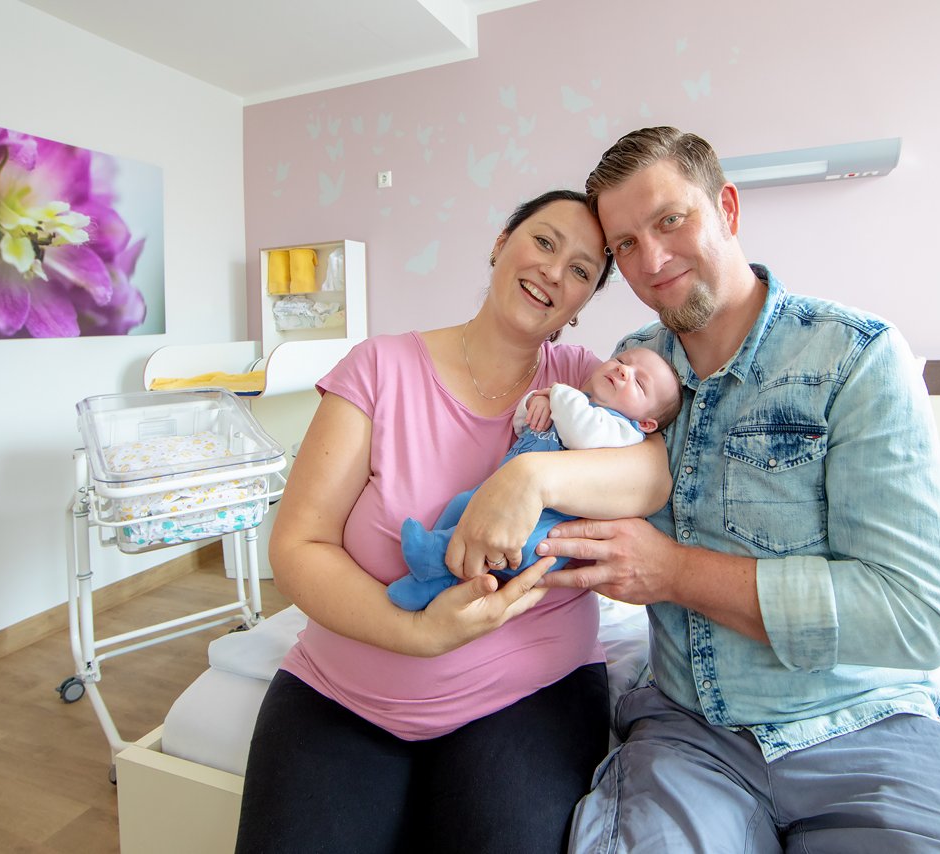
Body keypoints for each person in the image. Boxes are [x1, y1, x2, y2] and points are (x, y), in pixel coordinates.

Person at [533, 128, 940, 853]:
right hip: (688, 733)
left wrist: (670, 571)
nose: (652, 261)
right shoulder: (631, 373)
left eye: (670, 220)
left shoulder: (854, 358)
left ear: (726, 207)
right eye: (625, 244)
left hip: (862, 727)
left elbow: (920, 615)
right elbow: (568, 467)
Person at [234, 189, 672, 854]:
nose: (556, 272)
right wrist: (416, 632)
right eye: (544, 242)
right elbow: (298, 544)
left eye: (583, 270)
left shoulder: (586, 384)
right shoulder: (380, 368)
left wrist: (530, 476)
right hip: (344, 691)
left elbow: (653, 474)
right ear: (501, 242)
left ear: (584, 304)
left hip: (530, 692)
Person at [391, 347, 682, 610]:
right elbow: (522, 425)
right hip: (497, 495)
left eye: (639, 383)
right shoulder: (573, 403)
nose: (623, 370)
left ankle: (431, 554)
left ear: (647, 422)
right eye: (621, 360)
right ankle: (429, 583)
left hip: (543, 526)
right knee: (461, 505)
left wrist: (554, 393)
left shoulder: (623, 431)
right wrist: (535, 403)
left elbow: (581, 431)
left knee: (514, 542)